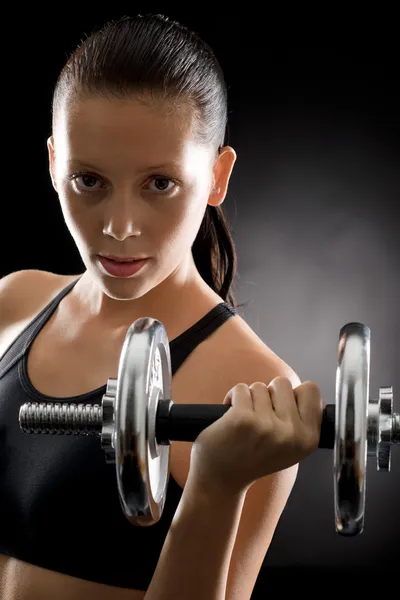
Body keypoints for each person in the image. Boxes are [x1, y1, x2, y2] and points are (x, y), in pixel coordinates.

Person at [0, 13, 323, 600]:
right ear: (53, 164)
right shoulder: (12, 304)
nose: (120, 227)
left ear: (218, 177)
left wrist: (216, 486)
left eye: (160, 184)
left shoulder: (251, 388)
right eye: (89, 181)